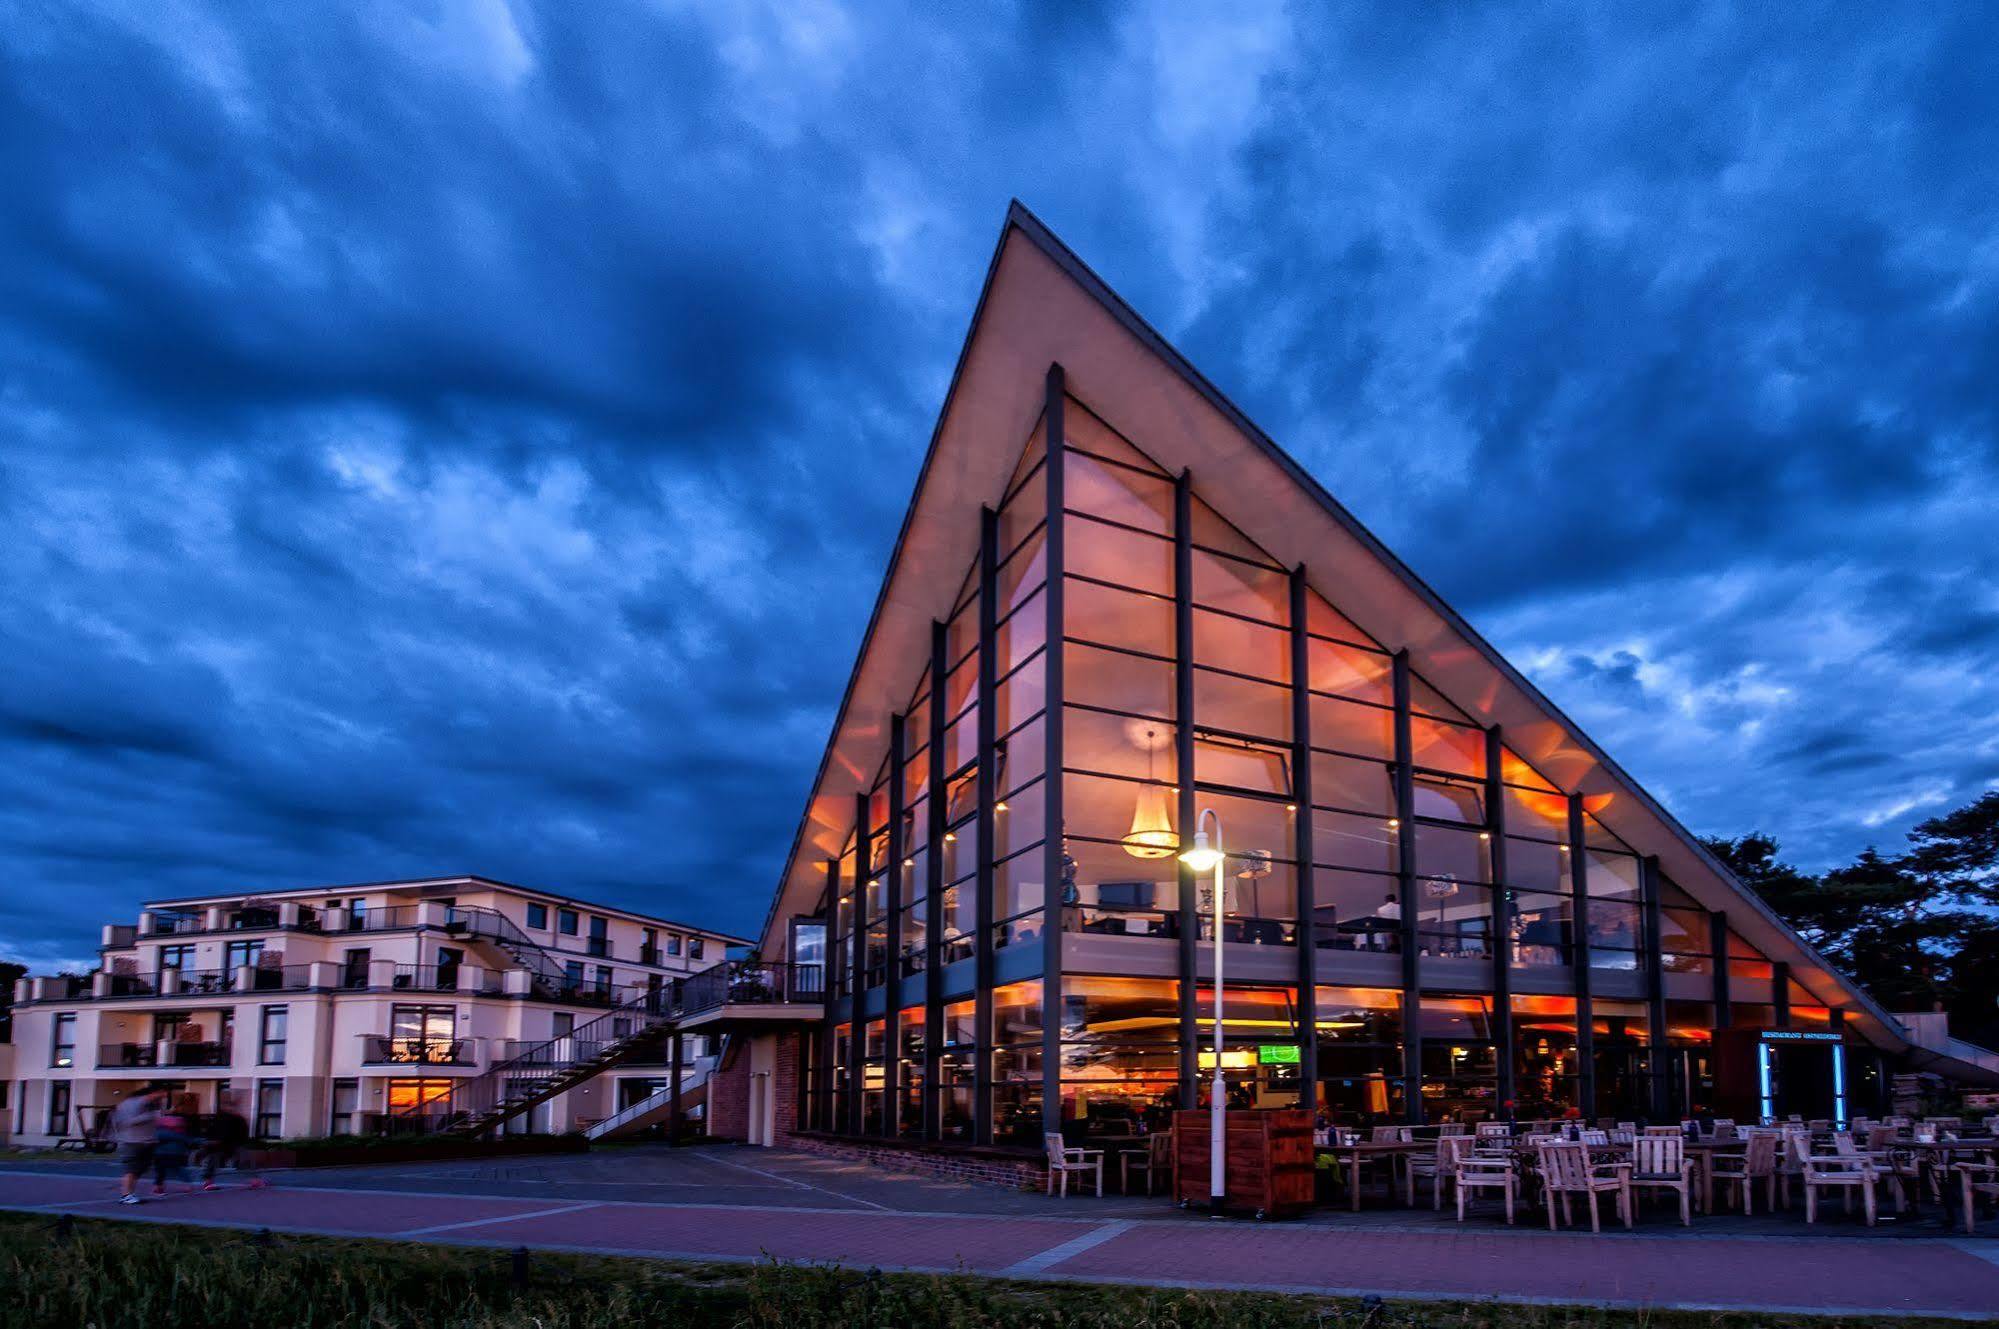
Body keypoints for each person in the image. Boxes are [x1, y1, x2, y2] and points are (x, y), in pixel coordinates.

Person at [111, 1086, 165, 1204]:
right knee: (131, 1168)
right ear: (153, 1093)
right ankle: (126, 1195)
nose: (162, 1098)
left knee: (138, 1169)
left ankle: (130, 1193)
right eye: (161, 1094)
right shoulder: (131, 1104)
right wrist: (150, 1116)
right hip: (131, 1141)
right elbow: (127, 1121)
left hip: (146, 1141)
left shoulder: (150, 1105)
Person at [198, 1096, 260, 1190]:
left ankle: (254, 1180)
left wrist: (241, 1142)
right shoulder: (219, 1118)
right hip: (220, 1144)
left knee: (245, 1159)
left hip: (235, 1144)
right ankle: (208, 1182)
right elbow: (212, 1130)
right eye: (227, 1106)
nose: (229, 1109)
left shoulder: (238, 1119)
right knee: (212, 1159)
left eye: (231, 1107)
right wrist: (211, 1141)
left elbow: (243, 1132)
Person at [152, 1099, 194, 1195]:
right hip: (177, 1151)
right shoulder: (180, 1121)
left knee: (160, 1170)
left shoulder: (161, 1122)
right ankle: (187, 1185)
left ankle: (159, 1187)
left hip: (161, 1151)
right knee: (179, 1168)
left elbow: (158, 1136)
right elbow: (184, 1137)